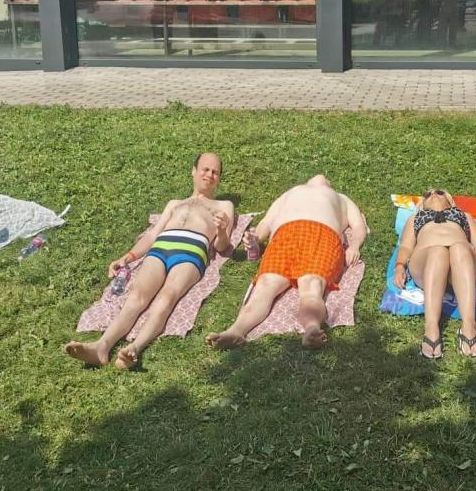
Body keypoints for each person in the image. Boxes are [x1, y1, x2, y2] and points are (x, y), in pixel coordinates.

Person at [64, 152, 235, 369]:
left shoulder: (224, 206)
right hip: (159, 249)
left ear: (218, 179)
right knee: (136, 297)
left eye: (215, 172)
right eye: (205, 169)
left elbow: (222, 247)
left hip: (190, 252)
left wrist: (222, 230)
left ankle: (134, 349)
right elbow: (153, 234)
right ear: (193, 171)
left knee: (167, 297)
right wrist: (128, 257)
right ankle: (101, 346)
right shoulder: (175, 203)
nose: (210, 175)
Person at [206, 175, 367, 351]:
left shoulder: (341, 198)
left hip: (322, 235)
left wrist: (354, 246)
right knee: (265, 284)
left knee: (312, 284)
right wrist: (256, 238)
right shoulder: (291, 192)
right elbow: (267, 221)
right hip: (285, 235)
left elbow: (359, 226)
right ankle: (236, 331)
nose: (321, 176)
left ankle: (312, 329)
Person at [393, 189, 476, 359]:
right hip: (427, 263)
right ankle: (431, 328)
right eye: (427, 194)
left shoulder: (463, 215)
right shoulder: (415, 218)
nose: (433, 194)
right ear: (422, 204)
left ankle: (469, 326)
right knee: (438, 251)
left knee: (459, 247)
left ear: (450, 201)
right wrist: (399, 266)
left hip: (463, 263)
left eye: (439, 192)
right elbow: (405, 246)